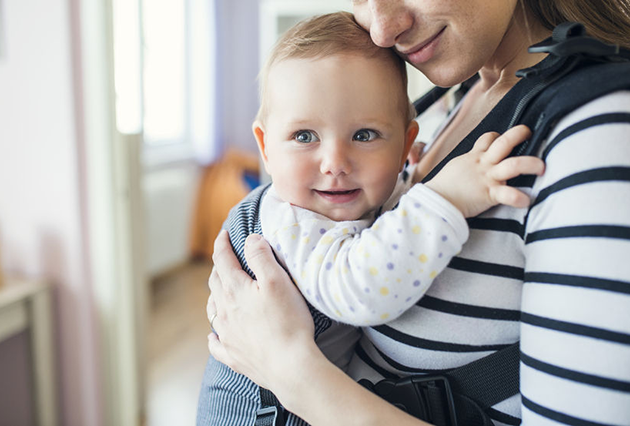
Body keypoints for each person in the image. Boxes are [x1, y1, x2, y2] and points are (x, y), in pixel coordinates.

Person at [202, 1, 630, 425]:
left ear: (403, 139)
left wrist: (291, 373)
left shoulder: (597, 132)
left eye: (365, 135)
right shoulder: (452, 99)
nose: (383, 28)